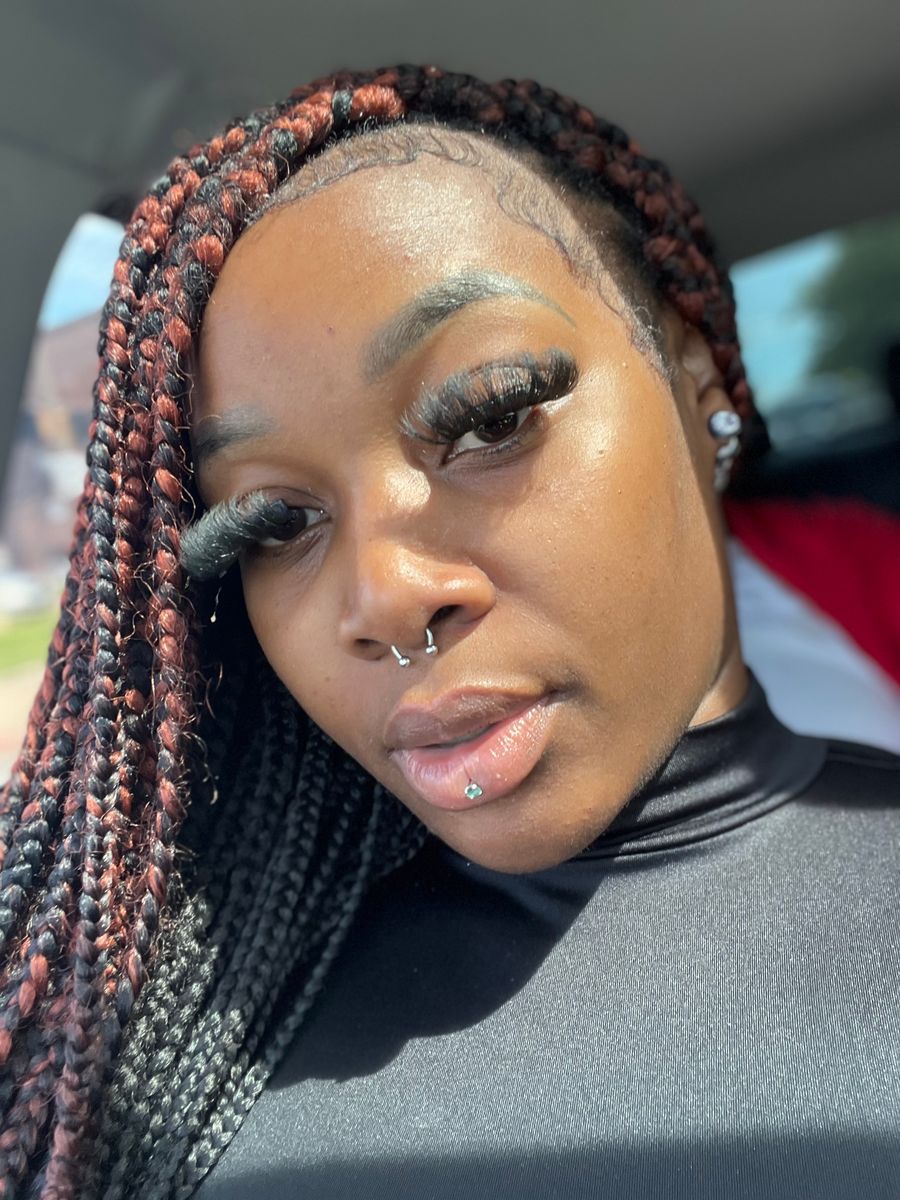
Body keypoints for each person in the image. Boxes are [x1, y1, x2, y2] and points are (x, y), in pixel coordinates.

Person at [0, 65, 897, 1200]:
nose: (381, 598)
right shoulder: (163, 1048)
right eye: (275, 523)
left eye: (488, 419)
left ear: (695, 376)